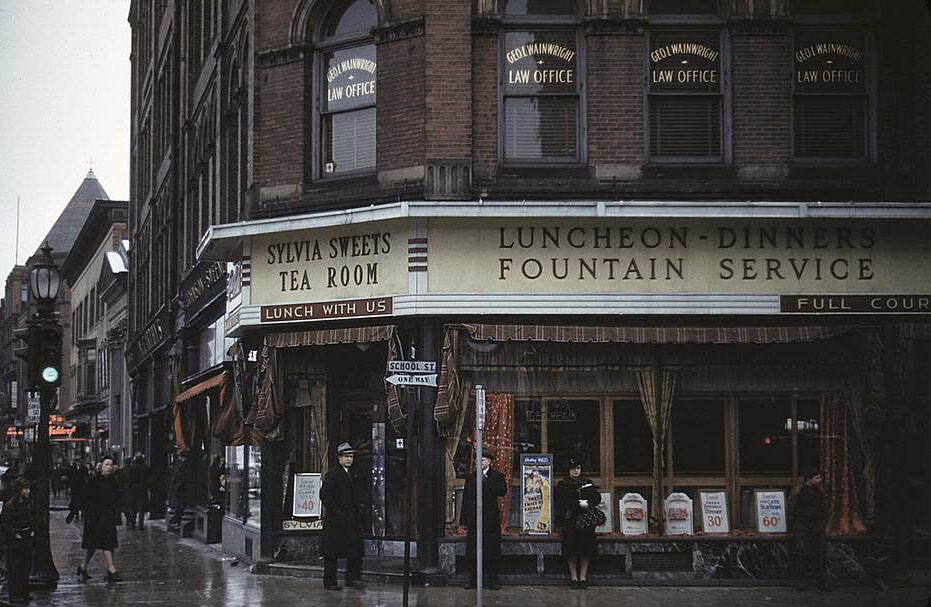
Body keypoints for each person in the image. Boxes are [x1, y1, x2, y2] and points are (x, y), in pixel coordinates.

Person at [319, 442, 366, 591]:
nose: (349, 459)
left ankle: (352, 578)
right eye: (346, 457)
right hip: (336, 521)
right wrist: (337, 512)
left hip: (351, 518)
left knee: (355, 549)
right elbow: (325, 495)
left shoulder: (353, 473)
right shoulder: (333, 473)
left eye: (351, 456)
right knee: (332, 552)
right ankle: (330, 582)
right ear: (339, 458)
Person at [460, 450, 507, 590]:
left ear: (489, 462)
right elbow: (466, 499)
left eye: (483, 460)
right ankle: (472, 579)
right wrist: (464, 520)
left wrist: (486, 480)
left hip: (490, 519)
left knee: (491, 549)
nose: (479, 463)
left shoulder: (497, 476)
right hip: (475, 518)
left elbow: (502, 491)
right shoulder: (471, 477)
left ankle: (493, 579)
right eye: (477, 460)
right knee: (473, 549)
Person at [555, 458, 601, 589]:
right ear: (568, 470)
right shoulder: (562, 484)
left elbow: (596, 497)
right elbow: (561, 501)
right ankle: (574, 577)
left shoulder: (587, 482)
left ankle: (583, 577)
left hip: (586, 521)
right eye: (573, 468)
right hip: (570, 521)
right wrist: (577, 504)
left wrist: (588, 503)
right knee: (571, 550)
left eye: (578, 468)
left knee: (586, 550)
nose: (576, 471)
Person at [78, 456, 122, 584]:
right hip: (95, 517)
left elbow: (116, 498)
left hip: (108, 515)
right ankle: (111, 570)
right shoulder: (94, 481)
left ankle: (85, 567)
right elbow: (86, 497)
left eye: (111, 465)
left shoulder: (113, 481)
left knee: (103, 544)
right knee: (100, 544)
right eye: (106, 464)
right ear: (100, 466)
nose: (109, 467)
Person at [789, 465, 829, 592]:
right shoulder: (798, 491)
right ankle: (802, 581)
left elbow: (823, 507)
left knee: (820, 552)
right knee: (802, 552)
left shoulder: (819, 491)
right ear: (809, 479)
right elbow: (791, 508)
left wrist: (822, 522)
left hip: (816, 524)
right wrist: (793, 524)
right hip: (801, 524)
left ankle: (822, 581)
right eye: (817, 478)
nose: (820, 480)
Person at [0, 478, 35, 603]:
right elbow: (5, 524)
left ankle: (24, 592)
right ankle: (15, 595)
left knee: (25, 567)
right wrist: (14, 534)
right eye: (26, 488)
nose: (28, 491)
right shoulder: (10, 505)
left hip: (26, 537)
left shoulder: (28, 503)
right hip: (15, 540)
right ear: (20, 490)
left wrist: (32, 530)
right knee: (15, 567)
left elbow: (31, 518)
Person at [129, 453, 151, 529]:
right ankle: (140, 524)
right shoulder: (146, 468)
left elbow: (130, 480)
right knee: (141, 508)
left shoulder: (132, 468)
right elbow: (149, 479)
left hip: (134, 490)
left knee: (133, 507)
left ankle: (132, 523)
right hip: (143, 490)